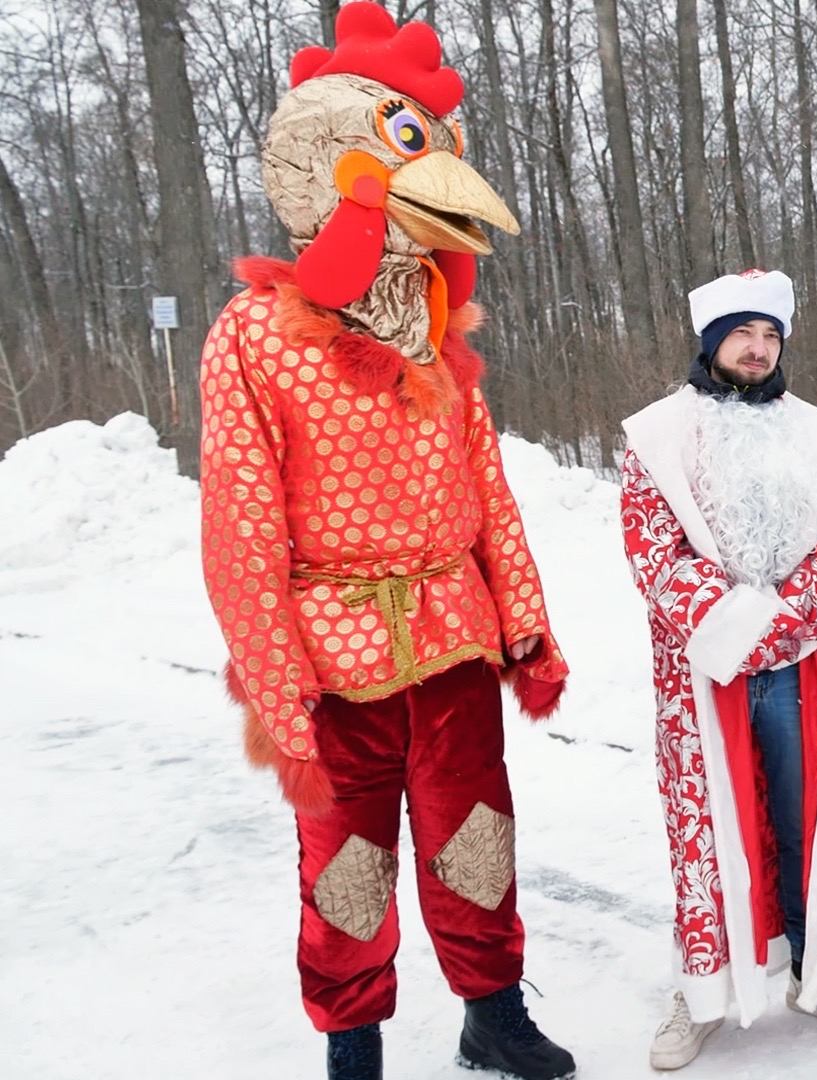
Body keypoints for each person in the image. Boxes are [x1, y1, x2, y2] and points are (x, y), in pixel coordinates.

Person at [198, 5, 574, 1077]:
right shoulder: (256, 339)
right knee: (347, 863)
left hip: (451, 638)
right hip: (332, 657)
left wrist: (526, 626)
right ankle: (352, 1039)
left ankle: (492, 1014)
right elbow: (240, 524)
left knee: (478, 843)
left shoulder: (432, 323)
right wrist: (279, 691)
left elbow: (486, 482)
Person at [619, 269, 817, 1071]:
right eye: (744, 333)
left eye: (771, 335)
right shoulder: (659, 435)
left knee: (810, 816)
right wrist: (736, 629)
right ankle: (707, 988)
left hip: (802, 664)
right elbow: (652, 549)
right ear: (713, 342)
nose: (758, 348)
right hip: (703, 670)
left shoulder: (816, 432)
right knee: (712, 829)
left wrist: (784, 627)